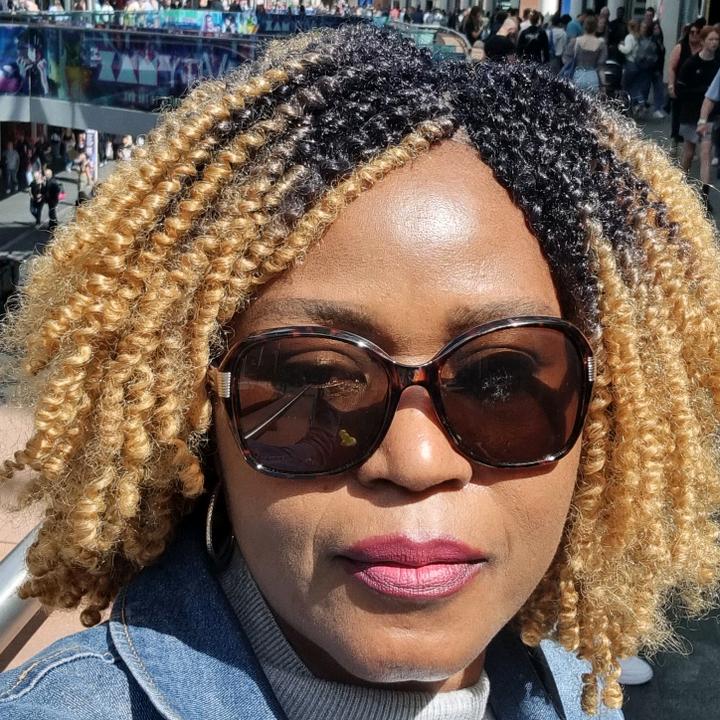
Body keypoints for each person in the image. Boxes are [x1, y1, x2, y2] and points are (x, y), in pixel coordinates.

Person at [1, 22, 720, 720]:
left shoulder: (575, 694)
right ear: (198, 416)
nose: (415, 462)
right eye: (316, 379)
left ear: (609, 425)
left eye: (498, 380)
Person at [677, 25, 720, 210]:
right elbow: (680, 89)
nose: (714, 43)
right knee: (688, 153)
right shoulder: (691, 63)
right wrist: (701, 92)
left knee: (705, 154)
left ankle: (704, 195)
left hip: (708, 116)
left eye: (717, 40)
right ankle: (680, 184)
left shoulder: (717, 64)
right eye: (711, 39)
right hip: (690, 113)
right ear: (702, 41)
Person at [668, 20, 705, 151]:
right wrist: (671, 85)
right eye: (691, 32)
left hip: (697, 89)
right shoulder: (680, 47)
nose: (694, 35)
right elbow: (672, 67)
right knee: (678, 115)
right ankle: (675, 141)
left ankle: (689, 145)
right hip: (681, 87)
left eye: (697, 32)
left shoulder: (703, 49)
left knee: (693, 117)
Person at [563, 15, 607, 91]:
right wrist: (603, 86)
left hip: (578, 75)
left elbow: (565, 60)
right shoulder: (601, 44)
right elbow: (601, 68)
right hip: (593, 77)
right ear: (596, 27)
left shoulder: (575, 41)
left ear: (584, 27)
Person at [42, 167, 62, 231]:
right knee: (52, 213)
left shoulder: (52, 182)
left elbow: (56, 190)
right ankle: (52, 225)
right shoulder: (50, 181)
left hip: (52, 200)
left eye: (45, 175)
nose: (44, 176)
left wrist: (54, 198)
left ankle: (53, 226)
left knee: (52, 213)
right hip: (51, 200)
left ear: (48, 175)